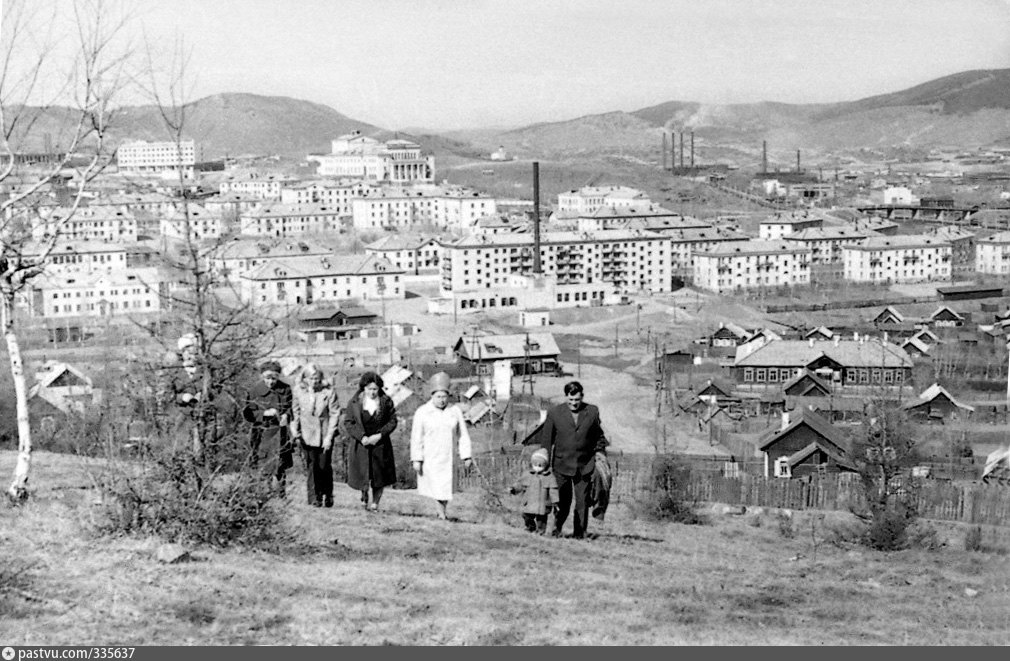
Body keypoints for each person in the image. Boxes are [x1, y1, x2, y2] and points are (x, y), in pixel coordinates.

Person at [539, 380, 609, 539]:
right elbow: (546, 441)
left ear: (582, 397)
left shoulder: (592, 412)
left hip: (584, 465)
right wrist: (544, 464)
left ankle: (580, 534)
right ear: (565, 397)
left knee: (582, 502)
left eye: (577, 400)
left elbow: (598, 436)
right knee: (562, 501)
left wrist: (600, 453)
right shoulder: (555, 413)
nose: (574, 403)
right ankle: (556, 529)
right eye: (570, 400)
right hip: (561, 465)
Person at [409, 371, 473, 520]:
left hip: (448, 456)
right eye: (438, 397)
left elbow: (463, 434)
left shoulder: (454, 411)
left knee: (445, 487)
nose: (442, 400)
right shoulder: (423, 412)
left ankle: (442, 511)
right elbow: (416, 437)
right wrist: (417, 459)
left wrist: (466, 455)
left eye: (444, 396)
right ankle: (441, 513)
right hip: (431, 456)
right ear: (432, 396)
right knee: (437, 486)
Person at [343, 371, 398, 512]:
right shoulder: (355, 402)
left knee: (379, 476)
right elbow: (349, 422)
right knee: (363, 474)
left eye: (375, 389)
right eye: (369, 389)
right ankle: (364, 496)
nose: (372, 392)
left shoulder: (386, 402)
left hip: (380, 445)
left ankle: (375, 503)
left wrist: (380, 435)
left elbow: (392, 421)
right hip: (362, 445)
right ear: (363, 388)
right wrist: (362, 437)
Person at [290, 363, 340, 508]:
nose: (314, 381)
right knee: (311, 466)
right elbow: (296, 412)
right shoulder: (298, 391)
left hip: (324, 434)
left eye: (317, 378)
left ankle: (327, 494)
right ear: (305, 378)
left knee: (324, 465)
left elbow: (334, 414)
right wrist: (296, 431)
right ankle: (314, 497)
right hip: (306, 435)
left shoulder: (328, 392)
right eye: (311, 378)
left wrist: (329, 437)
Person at [243, 360, 294, 496]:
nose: (271, 382)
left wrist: (286, 416)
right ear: (262, 376)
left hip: (280, 432)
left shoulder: (286, 389)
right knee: (262, 463)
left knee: (280, 464)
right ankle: (263, 493)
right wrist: (264, 413)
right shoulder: (254, 390)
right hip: (262, 433)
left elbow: (291, 408)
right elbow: (248, 414)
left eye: (274, 378)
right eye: (268, 378)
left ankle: (280, 494)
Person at [509, 448, 559, 535]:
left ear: (545, 465)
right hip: (530, 502)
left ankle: (541, 531)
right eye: (535, 465)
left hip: (542, 503)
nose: (537, 468)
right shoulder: (528, 474)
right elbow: (520, 484)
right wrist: (514, 489)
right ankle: (530, 527)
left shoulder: (549, 477)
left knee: (541, 519)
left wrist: (555, 501)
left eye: (540, 466)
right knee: (526, 515)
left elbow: (553, 490)